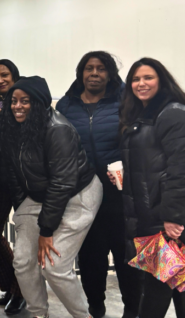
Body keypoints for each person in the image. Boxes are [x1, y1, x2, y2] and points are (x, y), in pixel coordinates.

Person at [114, 58, 185, 318]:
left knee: (158, 291)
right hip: (158, 217)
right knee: (182, 288)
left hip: (174, 222)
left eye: (148, 77)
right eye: (135, 79)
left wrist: (172, 217)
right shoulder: (144, 114)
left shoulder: (172, 112)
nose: (141, 83)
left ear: (161, 80)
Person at [0, 76, 101, 318]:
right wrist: (22, 204)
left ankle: (82, 315)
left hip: (77, 194)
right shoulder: (12, 128)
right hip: (39, 196)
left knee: (55, 267)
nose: (17, 106)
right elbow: (12, 170)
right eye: (14, 101)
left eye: (25, 101)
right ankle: (38, 314)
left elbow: (63, 183)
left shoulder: (58, 129)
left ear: (40, 103)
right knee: (22, 263)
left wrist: (46, 230)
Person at [55, 51, 141, 318]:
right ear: (81, 73)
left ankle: (132, 310)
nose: (94, 74)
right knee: (91, 257)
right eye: (89, 68)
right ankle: (96, 307)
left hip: (120, 193)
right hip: (82, 194)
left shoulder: (127, 102)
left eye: (101, 69)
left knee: (127, 255)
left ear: (110, 73)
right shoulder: (66, 106)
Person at [0, 59, 26, 315]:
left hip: (22, 180)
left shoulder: (23, 99)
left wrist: (6, 121)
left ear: (14, 75)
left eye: (4, 75)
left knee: (24, 240)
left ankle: (21, 292)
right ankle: (11, 288)